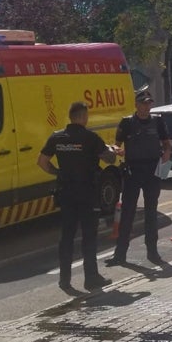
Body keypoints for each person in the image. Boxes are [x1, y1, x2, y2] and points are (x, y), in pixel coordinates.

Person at [38, 101, 117, 292]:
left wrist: (58, 173)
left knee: (66, 236)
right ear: (83, 117)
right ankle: (91, 278)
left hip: (66, 192)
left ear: (70, 117)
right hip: (87, 193)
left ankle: (64, 280)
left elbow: (42, 162)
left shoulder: (57, 137)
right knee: (89, 236)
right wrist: (112, 150)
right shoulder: (90, 138)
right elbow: (110, 158)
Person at [108, 91, 172, 267]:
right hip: (133, 170)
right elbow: (117, 144)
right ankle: (120, 254)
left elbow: (167, 142)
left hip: (153, 170)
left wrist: (167, 152)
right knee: (128, 212)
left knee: (151, 212)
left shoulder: (158, 121)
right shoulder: (127, 123)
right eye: (143, 104)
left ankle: (152, 252)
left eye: (148, 104)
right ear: (136, 105)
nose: (146, 107)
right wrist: (117, 150)